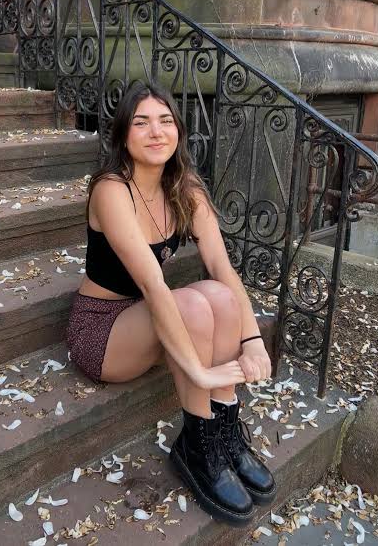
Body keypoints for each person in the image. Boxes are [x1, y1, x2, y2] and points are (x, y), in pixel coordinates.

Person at [65, 80, 276, 525]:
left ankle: (223, 430)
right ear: (123, 135)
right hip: (102, 332)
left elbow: (222, 269)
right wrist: (198, 371)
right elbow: (154, 285)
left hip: (147, 317)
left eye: (165, 121)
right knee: (192, 305)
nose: (156, 131)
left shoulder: (185, 188)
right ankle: (197, 446)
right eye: (141, 122)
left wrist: (253, 339)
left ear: (178, 131)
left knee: (218, 294)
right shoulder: (111, 189)